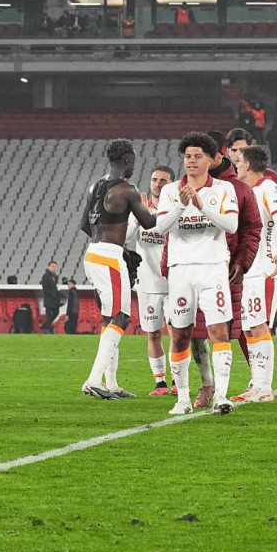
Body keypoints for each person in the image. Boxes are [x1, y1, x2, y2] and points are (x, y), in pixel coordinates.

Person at [153, 132, 240, 415]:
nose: (191, 161)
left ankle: (221, 396)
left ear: (210, 160)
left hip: (213, 268)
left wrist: (202, 207)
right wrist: (181, 205)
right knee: (180, 334)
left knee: (218, 331)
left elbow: (231, 225)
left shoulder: (224, 189)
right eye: (187, 156)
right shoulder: (170, 191)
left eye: (197, 156)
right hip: (180, 270)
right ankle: (182, 400)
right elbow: (160, 228)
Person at [78, 138, 157, 399]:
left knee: (109, 318)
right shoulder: (128, 189)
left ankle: (111, 384)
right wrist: (174, 209)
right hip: (109, 259)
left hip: (93, 254)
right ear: (127, 159)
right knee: (121, 318)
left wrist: (111, 243)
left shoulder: (94, 186)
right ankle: (93, 380)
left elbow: (84, 225)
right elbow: (148, 222)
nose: (134, 166)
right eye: (133, 161)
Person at [227, 146, 277, 403]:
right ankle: (256, 383)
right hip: (250, 271)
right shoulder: (249, 192)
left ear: (248, 165)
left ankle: (264, 387)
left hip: (265, 268)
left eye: (239, 161)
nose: (235, 165)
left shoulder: (269, 187)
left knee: (258, 325)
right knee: (249, 328)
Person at [126, 165, 175, 395]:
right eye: (155, 180)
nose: (158, 184)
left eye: (163, 180)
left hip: (174, 284)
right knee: (153, 334)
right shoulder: (138, 209)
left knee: (176, 334)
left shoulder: (176, 210)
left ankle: (177, 381)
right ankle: (160, 383)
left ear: (172, 184)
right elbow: (125, 238)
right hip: (147, 283)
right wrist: (139, 219)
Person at [40, 261, 61, 334]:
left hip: (55, 299)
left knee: (56, 312)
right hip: (49, 299)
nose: (54, 268)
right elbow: (46, 288)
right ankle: (48, 329)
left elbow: (56, 288)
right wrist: (53, 295)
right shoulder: (45, 276)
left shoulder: (54, 276)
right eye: (52, 266)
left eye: (55, 266)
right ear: (48, 267)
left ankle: (45, 325)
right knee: (49, 315)